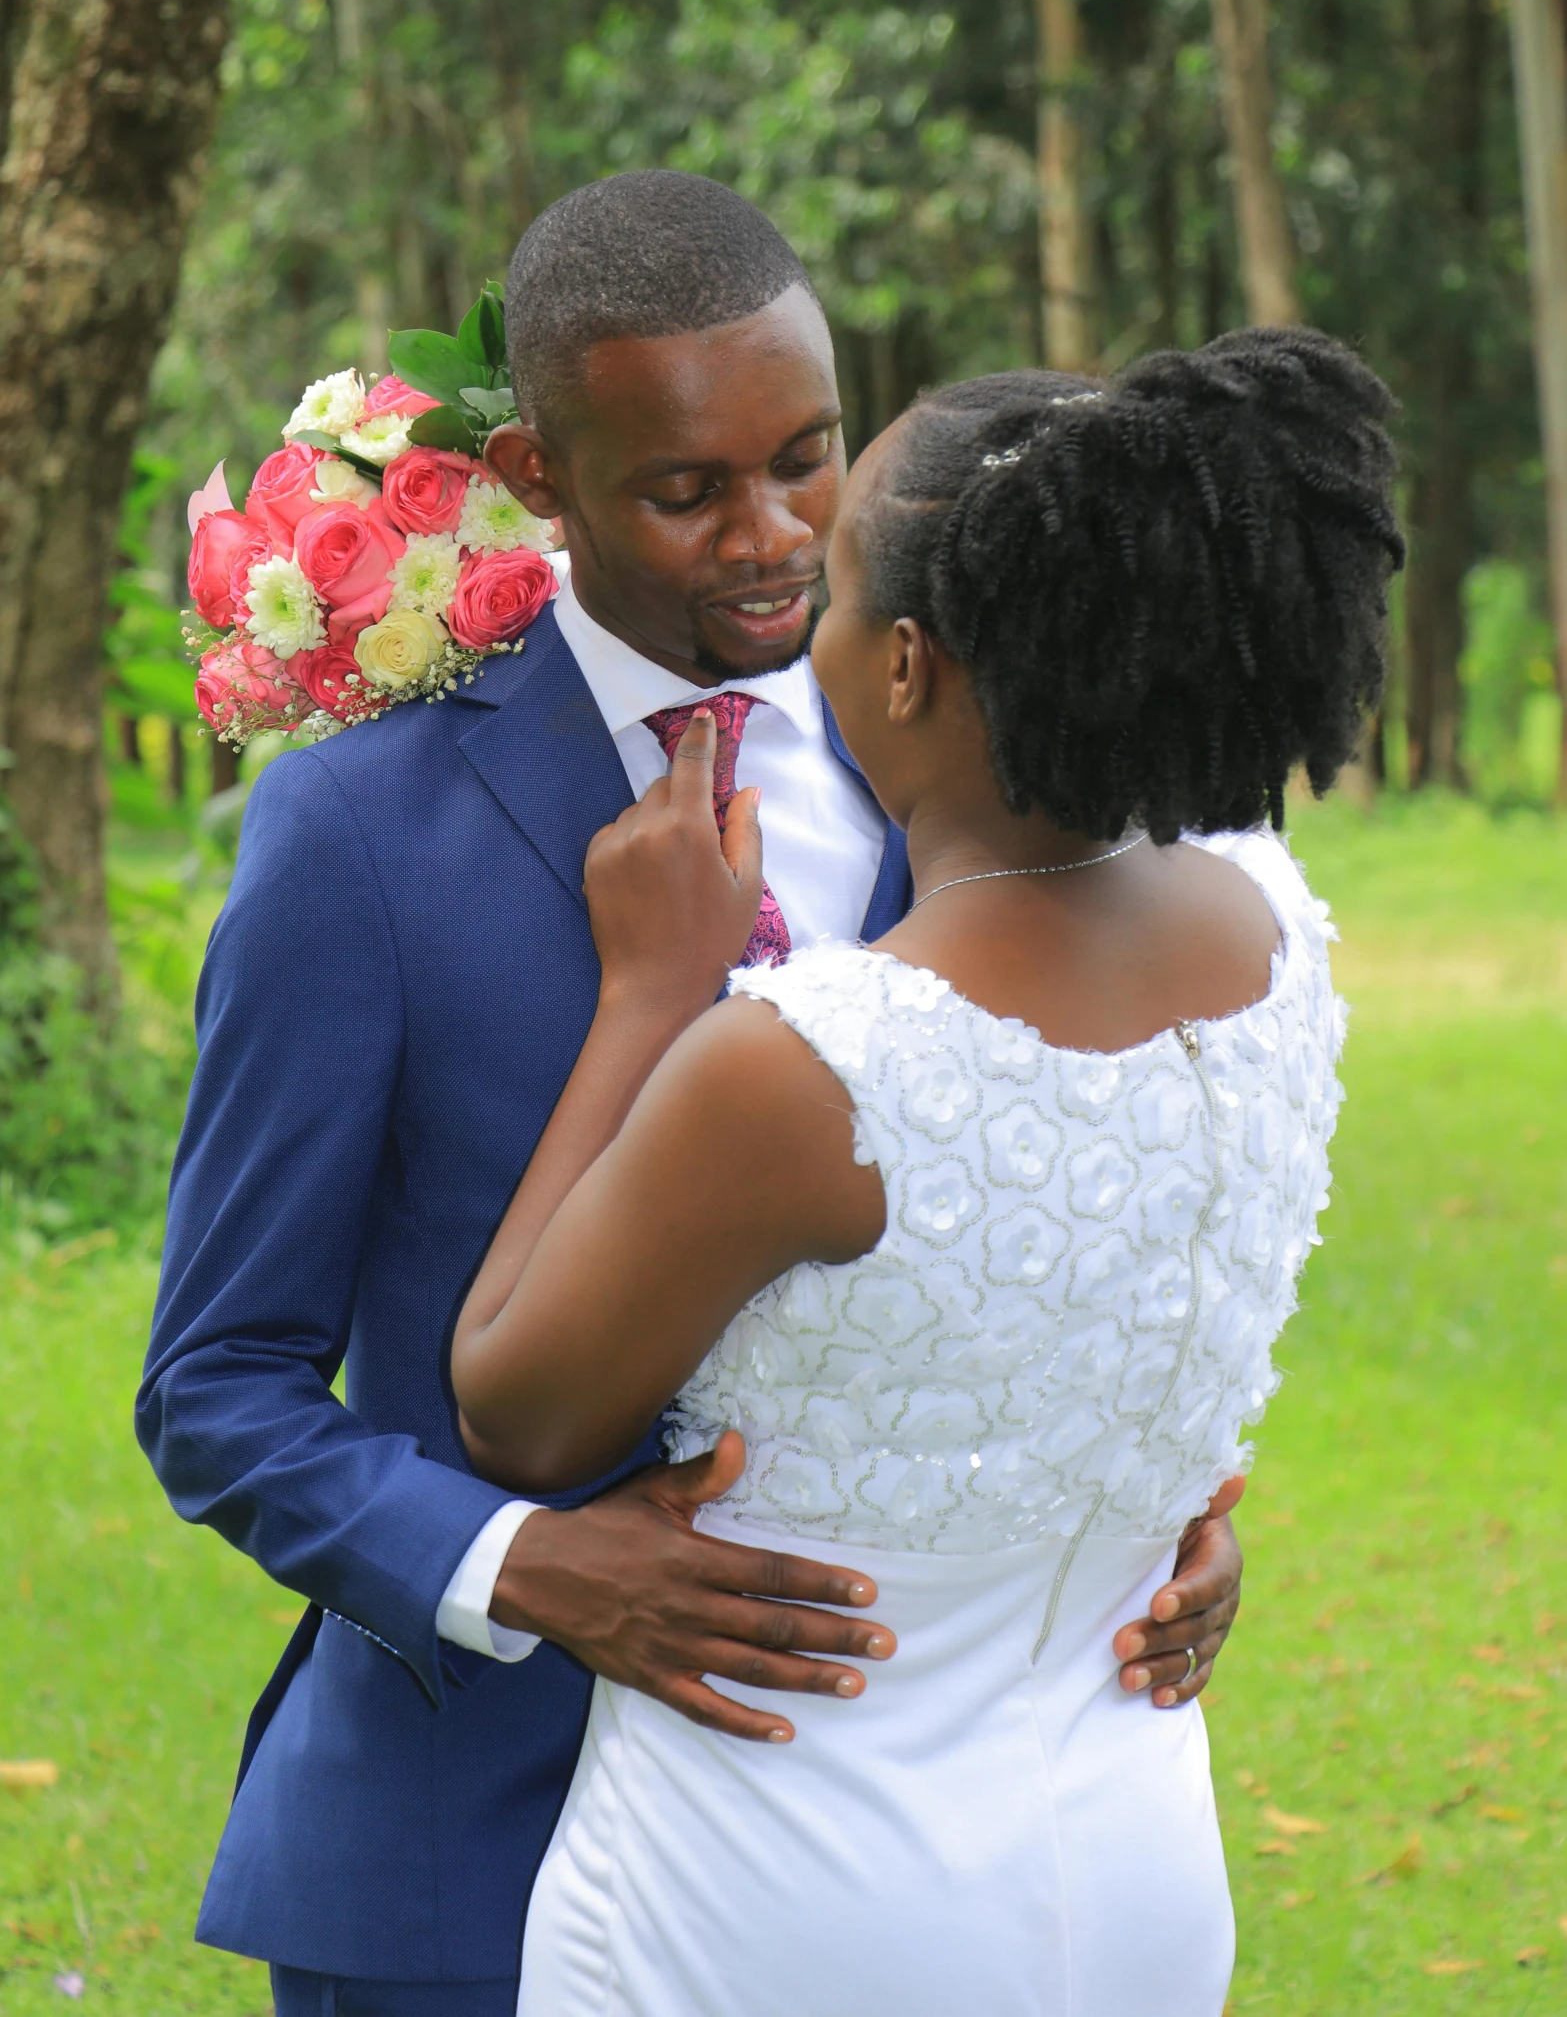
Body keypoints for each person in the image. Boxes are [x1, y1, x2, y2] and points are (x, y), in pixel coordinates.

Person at [136, 173, 1244, 2017]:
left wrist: (1160, 1505)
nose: (771, 534)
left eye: (805, 458)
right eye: (686, 488)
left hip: (887, 1862)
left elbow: (1058, 1212)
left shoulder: (975, 775)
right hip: (460, 1862)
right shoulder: (354, 834)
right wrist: (530, 1566)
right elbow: (218, 1389)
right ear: (539, 474)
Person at [450, 327, 1404, 2016]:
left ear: (903, 667)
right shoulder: (1273, 934)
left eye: (825, 584)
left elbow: (515, 1412)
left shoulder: (812, 1063)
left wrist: (649, 1002)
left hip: (785, 1883)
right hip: (1130, 1853)